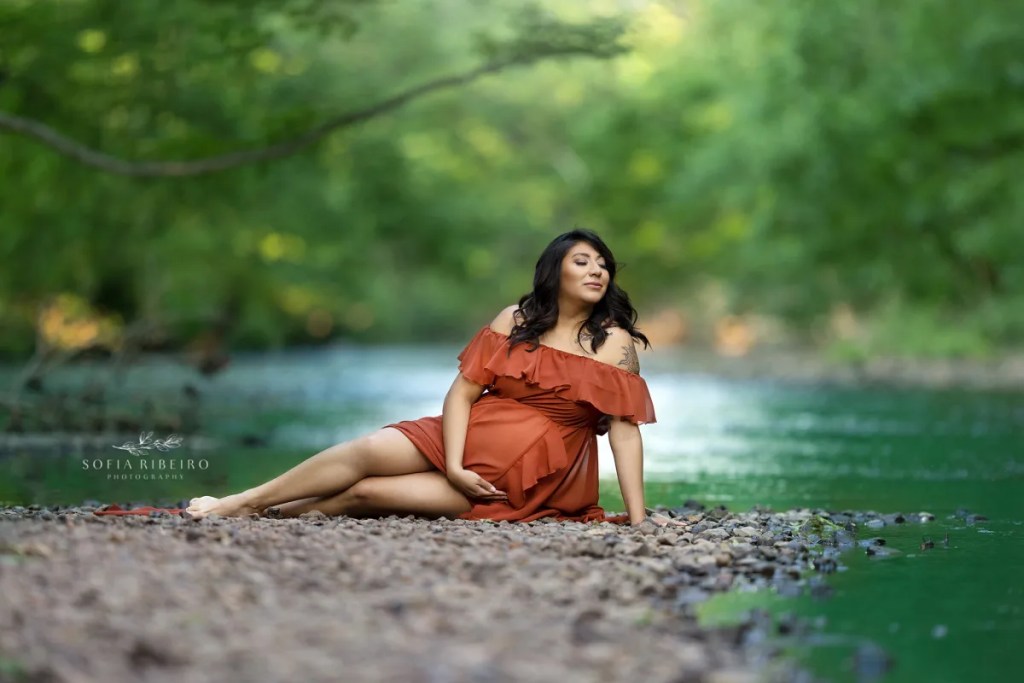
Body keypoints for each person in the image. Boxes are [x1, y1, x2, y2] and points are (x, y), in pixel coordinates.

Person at [186, 229, 677, 527]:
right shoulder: (516, 318)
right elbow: (461, 394)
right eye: (582, 261)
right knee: (366, 452)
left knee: (366, 494)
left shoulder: (615, 342)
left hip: (523, 474)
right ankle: (241, 502)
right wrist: (457, 463)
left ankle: (268, 514)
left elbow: (624, 431)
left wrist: (638, 520)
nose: (598, 271)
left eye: (603, 265)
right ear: (555, 272)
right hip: (465, 439)